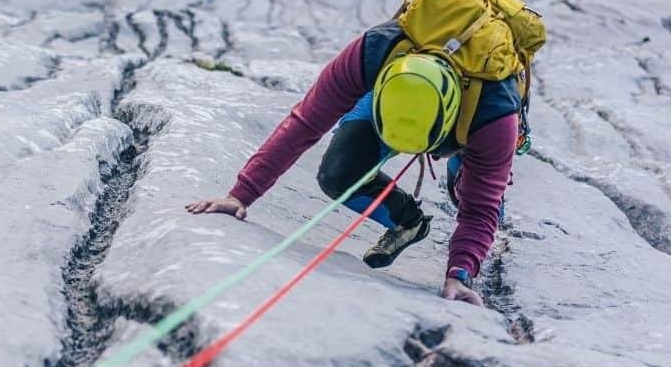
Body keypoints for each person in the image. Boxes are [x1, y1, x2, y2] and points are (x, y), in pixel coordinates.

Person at [185, 18, 523, 306]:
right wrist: (240, 195)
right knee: (338, 174)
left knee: (472, 194)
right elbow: (305, 124)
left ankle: (460, 176)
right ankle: (408, 223)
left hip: (474, 113)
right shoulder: (372, 53)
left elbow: (480, 209)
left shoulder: (495, 113)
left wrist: (459, 275)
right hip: (398, 95)